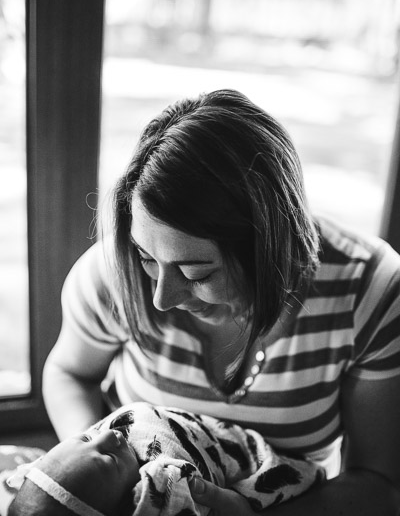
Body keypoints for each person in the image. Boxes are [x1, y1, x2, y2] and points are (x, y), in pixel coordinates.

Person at [43, 89, 400, 515]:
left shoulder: (371, 291)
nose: (161, 298)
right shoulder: (112, 272)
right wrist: (101, 476)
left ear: (270, 248)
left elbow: (380, 486)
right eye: (147, 258)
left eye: (198, 273)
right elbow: (69, 371)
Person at [7, 402, 324, 516]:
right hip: (249, 457)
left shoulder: (104, 445)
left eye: (87, 437)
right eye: (108, 459)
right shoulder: (160, 485)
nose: (111, 434)